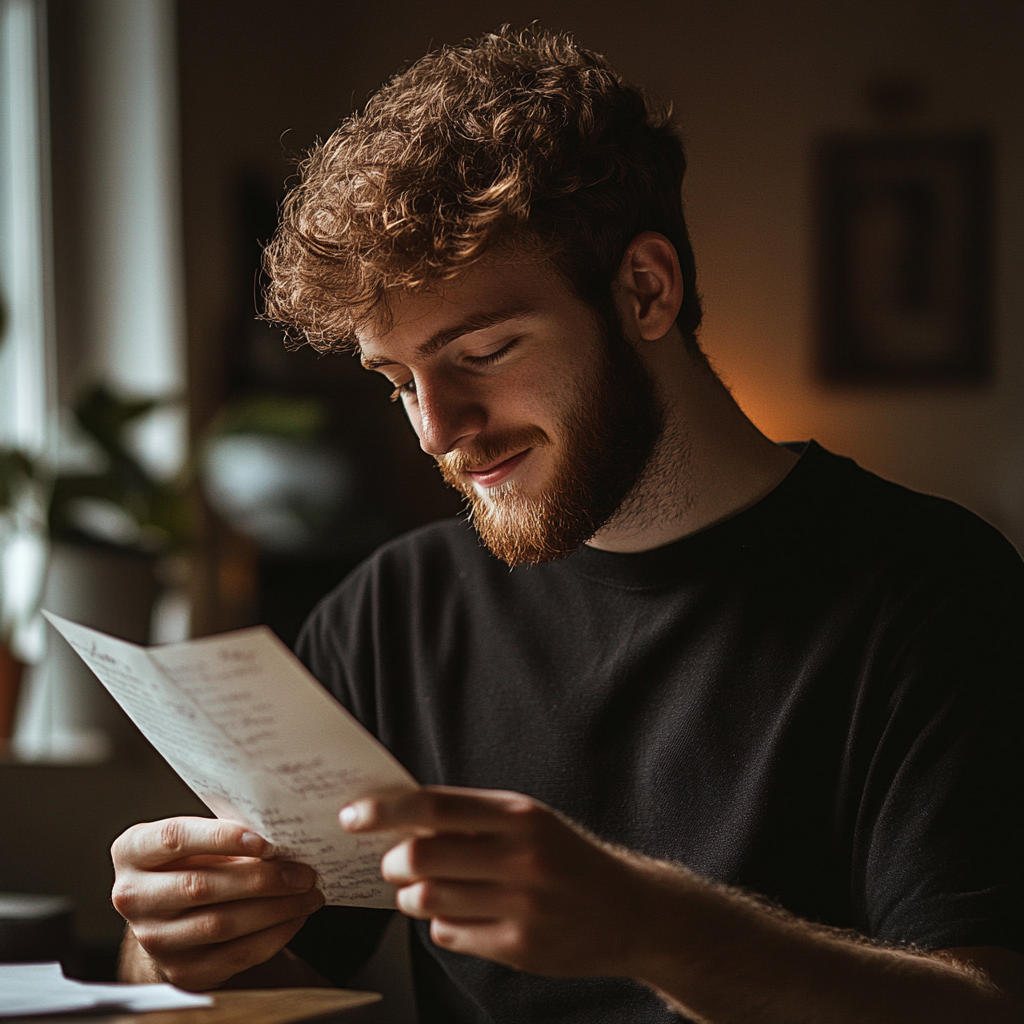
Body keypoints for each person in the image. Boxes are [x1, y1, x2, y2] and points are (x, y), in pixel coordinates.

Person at [110, 27, 1024, 1022]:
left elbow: (984, 1005)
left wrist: (652, 925)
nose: (437, 431)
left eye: (484, 349)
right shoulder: (391, 612)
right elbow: (259, 984)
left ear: (645, 290)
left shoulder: (937, 590)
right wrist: (172, 949)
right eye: (397, 382)